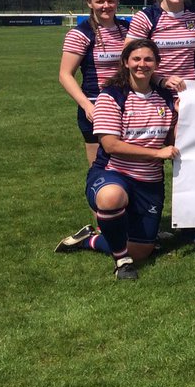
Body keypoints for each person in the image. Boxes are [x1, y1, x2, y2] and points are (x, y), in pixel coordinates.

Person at [55, 38, 180, 281]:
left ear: (157, 63)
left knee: (142, 251)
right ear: (125, 62)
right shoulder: (111, 96)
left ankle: (89, 239)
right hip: (113, 172)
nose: (142, 64)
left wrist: (181, 113)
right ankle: (121, 262)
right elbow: (110, 145)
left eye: (148, 59)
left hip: (149, 179)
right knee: (112, 197)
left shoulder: (165, 96)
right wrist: (156, 154)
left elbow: (172, 141)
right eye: (136, 59)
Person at [59, 0, 130, 167]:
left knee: (131, 166)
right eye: (100, 2)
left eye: (110, 1)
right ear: (89, 3)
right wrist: (87, 107)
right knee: (100, 170)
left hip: (129, 104)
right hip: (95, 105)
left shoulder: (127, 30)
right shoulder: (80, 34)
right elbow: (65, 75)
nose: (106, 6)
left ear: (117, 1)